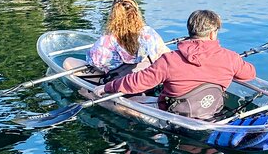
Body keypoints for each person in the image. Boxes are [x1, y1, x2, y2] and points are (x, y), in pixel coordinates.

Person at [93, 9, 256, 120]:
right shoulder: (231, 58)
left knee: (123, 101)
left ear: (190, 31)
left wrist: (108, 87)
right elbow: (250, 74)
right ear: (213, 33)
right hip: (212, 111)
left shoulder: (169, 60)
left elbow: (136, 82)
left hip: (173, 114)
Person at [63, 0, 169, 81]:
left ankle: (101, 85)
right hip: (148, 78)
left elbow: (95, 64)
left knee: (68, 62)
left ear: (113, 16)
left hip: (122, 82)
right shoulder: (149, 32)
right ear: (136, 13)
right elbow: (165, 53)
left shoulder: (106, 41)